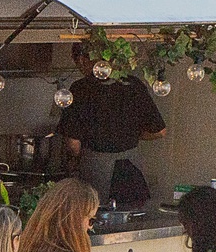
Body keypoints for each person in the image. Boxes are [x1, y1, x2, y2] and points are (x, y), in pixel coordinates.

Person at [60, 43, 167, 202]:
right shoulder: (133, 85)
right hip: (131, 170)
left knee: (94, 217)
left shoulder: (80, 89)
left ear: (82, 59)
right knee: (131, 219)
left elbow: (74, 145)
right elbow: (160, 131)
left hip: (95, 171)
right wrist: (130, 136)